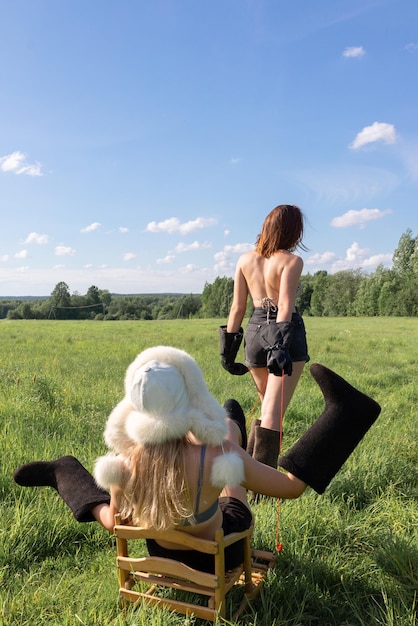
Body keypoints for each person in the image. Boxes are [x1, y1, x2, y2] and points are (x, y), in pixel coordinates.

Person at [13, 346, 381, 574]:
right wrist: (338, 423)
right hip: (219, 555)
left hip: (160, 550)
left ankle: (64, 470)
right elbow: (290, 488)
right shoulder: (214, 455)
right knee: (231, 481)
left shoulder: (126, 461)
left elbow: (119, 522)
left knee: (113, 514)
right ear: (188, 401)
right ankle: (344, 412)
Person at [220, 204, 309, 470]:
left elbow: (237, 308)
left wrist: (227, 352)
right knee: (273, 414)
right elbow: (284, 305)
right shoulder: (292, 261)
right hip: (284, 333)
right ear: (293, 231)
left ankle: (244, 473)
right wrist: (280, 345)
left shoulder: (245, 260)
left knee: (267, 409)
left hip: (255, 333)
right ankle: (262, 488)